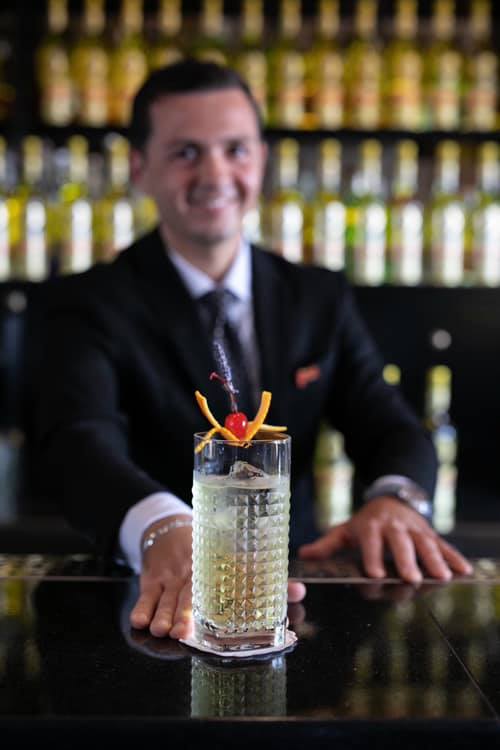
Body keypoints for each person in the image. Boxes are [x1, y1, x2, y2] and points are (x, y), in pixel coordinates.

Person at [34, 59, 472, 642]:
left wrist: (396, 498)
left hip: (291, 603)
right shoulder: (89, 302)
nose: (215, 174)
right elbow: (76, 443)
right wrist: (160, 525)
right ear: (140, 169)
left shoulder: (317, 296)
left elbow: (389, 424)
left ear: (261, 161)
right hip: (142, 609)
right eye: (186, 152)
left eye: (235, 150)